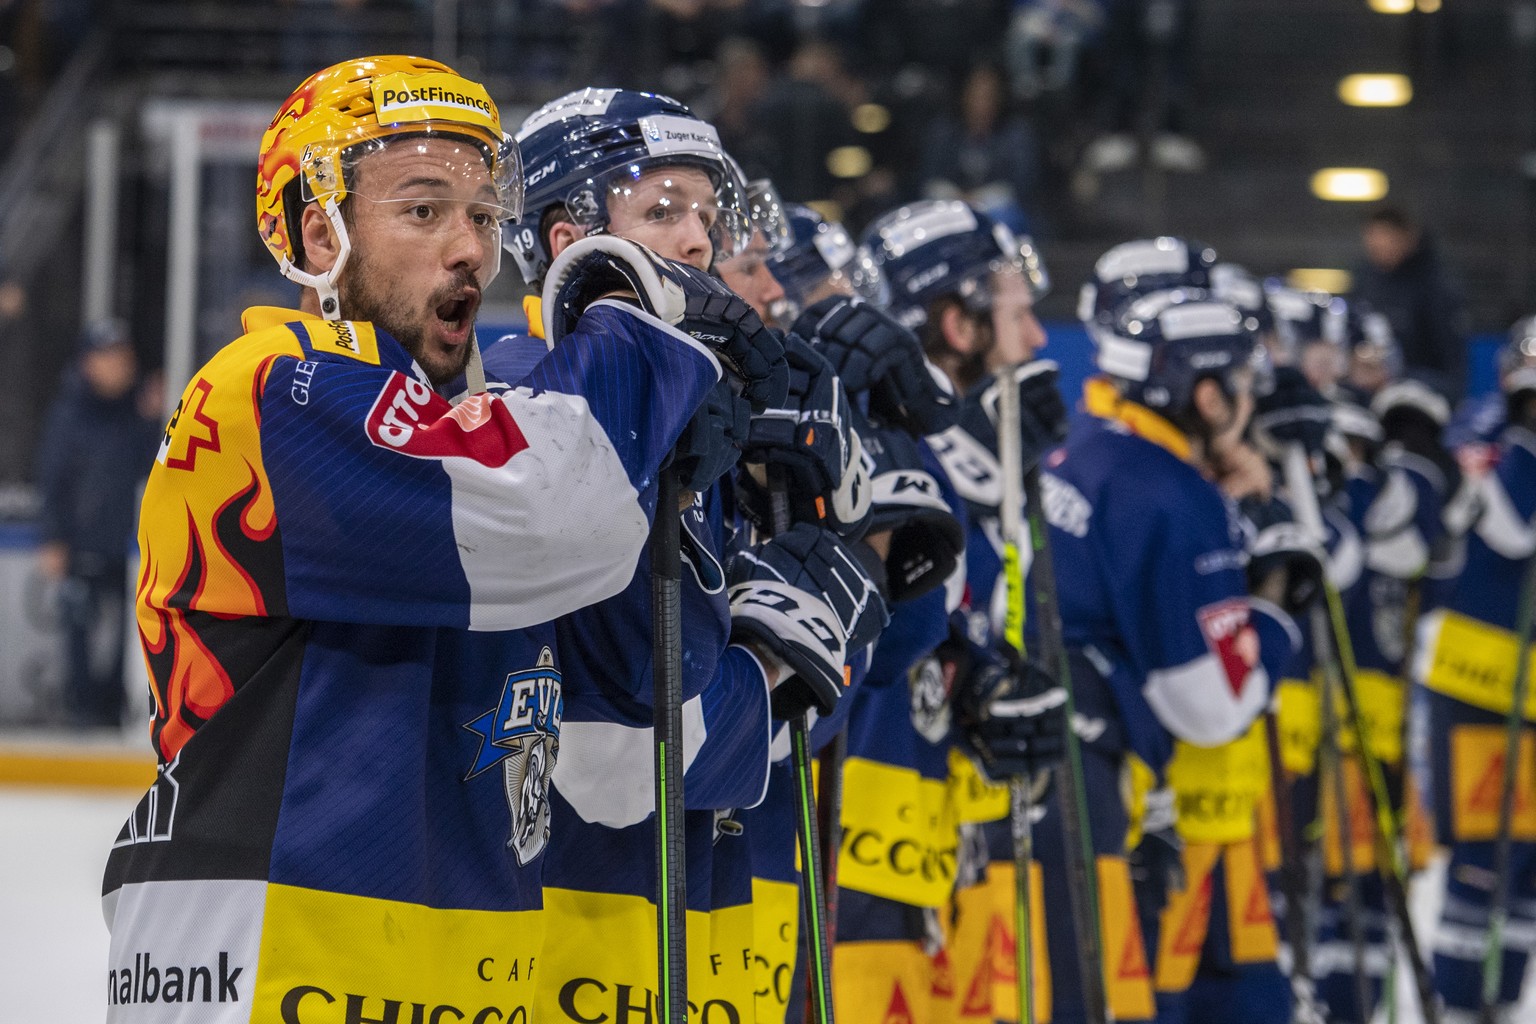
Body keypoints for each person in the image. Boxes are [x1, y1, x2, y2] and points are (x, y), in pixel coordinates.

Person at [101, 56, 783, 1020]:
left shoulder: (468, 423)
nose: (469, 247)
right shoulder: (273, 386)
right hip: (279, 956)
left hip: (450, 967)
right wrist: (632, 318)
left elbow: (631, 694)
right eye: (423, 211)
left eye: (482, 216)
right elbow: (549, 510)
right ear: (318, 233)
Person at [490, 87, 882, 1022]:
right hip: (583, 940)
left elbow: (785, 726)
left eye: (706, 213)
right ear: (566, 241)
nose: (700, 242)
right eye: (662, 210)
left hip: (701, 928)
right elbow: (616, 767)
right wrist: (775, 660)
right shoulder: (529, 402)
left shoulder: (693, 429)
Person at [1416, 330, 1536, 1022]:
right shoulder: (1494, 429)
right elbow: (1507, 529)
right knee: (1483, 854)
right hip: (1476, 679)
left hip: (1522, 684)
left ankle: (1505, 993)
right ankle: (1461, 998)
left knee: (1522, 859)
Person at [35, 318, 160, 728]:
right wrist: (54, 538)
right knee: (81, 627)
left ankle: (110, 706)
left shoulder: (139, 416)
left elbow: (154, 471)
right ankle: (82, 707)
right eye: (108, 357)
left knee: (130, 630)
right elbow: (54, 479)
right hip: (83, 541)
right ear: (88, 363)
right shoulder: (68, 414)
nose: (118, 366)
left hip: (130, 545)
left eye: (123, 358)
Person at [1350, 204, 1469, 399]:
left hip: (1418, 404)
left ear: (1409, 238)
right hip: (1366, 400)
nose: (1377, 245)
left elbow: (1453, 375)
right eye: (1372, 237)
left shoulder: (1436, 288)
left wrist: (1396, 377)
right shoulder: (1364, 280)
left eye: (1386, 237)